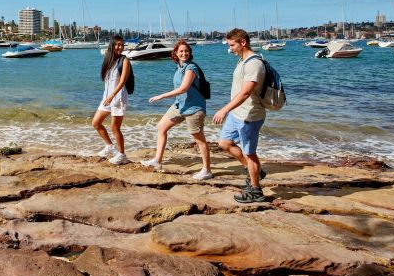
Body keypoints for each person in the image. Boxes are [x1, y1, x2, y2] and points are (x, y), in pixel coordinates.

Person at [142, 40, 212, 178]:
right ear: (175, 53)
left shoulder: (191, 68)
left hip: (194, 108)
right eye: (181, 51)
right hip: (179, 105)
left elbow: (183, 88)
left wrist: (161, 96)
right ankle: (157, 160)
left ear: (190, 53)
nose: (184, 53)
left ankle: (207, 170)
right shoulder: (179, 67)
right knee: (161, 127)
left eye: (186, 51)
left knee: (199, 139)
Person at [212, 28, 267, 203]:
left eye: (232, 45)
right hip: (238, 114)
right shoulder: (242, 60)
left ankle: (256, 191)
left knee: (250, 153)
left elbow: (245, 93)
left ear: (243, 42)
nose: (230, 48)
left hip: (250, 115)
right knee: (225, 143)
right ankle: (255, 172)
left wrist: (224, 109)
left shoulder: (254, 64)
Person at [92, 35, 131, 165]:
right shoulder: (108, 61)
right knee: (96, 123)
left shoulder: (124, 60)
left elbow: (122, 82)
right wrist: (107, 96)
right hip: (107, 97)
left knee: (115, 127)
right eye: (117, 44)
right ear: (112, 45)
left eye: (122, 44)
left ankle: (122, 155)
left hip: (118, 97)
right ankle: (109, 146)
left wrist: (111, 96)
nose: (120, 47)